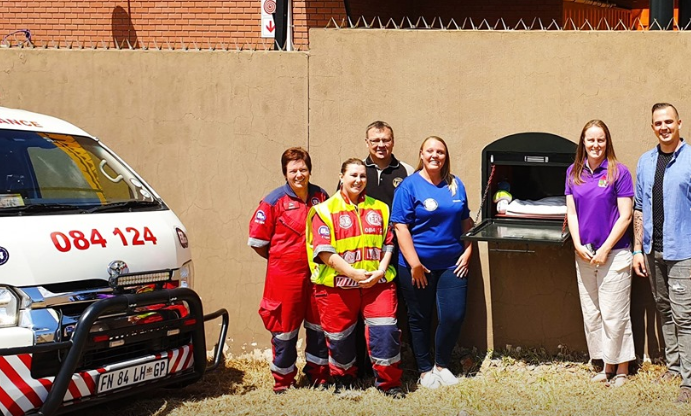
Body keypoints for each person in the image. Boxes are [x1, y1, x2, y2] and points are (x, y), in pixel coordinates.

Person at [306, 158, 404, 398]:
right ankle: (343, 380)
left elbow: (388, 243)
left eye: (362, 176)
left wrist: (380, 271)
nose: (358, 180)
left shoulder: (380, 208)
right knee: (340, 338)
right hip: (337, 286)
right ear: (341, 177)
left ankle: (389, 384)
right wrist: (352, 274)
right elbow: (324, 252)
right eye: (353, 175)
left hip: (377, 284)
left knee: (385, 332)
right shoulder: (323, 210)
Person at [391, 136, 473, 389]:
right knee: (419, 318)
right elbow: (400, 226)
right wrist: (414, 263)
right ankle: (425, 370)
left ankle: (442, 364)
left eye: (440, 151)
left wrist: (468, 250)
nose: (435, 155)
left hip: (452, 263)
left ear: (445, 156)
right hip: (417, 267)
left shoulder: (455, 184)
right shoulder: (409, 186)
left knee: (453, 314)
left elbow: (465, 220)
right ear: (422, 154)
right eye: (430, 151)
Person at [248, 147, 330, 393]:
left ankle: (319, 377)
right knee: (284, 330)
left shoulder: (321, 196)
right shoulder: (273, 201)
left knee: (318, 327)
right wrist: (281, 260)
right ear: (285, 173)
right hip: (284, 278)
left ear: (310, 170)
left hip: (317, 275)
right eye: (293, 170)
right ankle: (283, 382)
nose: (298, 174)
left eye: (303, 169)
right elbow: (258, 242)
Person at [565, 119, 635, 388]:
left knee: (615, 314)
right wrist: (577, 243)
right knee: (593, 313)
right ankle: (606, 366)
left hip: (614, 254)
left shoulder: (620, 172)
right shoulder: (573, 172)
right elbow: (571, 212)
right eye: (591, 139)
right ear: (583, 142)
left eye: (601, 139)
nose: (596, 145)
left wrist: (606, 249)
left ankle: (622, 369)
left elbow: (626, 216)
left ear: (608, 142)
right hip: (584, 255)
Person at [633, 103, 691, 403]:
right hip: (652, 249)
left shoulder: (690, 159)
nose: (664, 126)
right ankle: (673, 366)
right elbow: (639, 207)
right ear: (652, 126)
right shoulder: (646, 161)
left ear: (679, 123)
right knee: (665, 310)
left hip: (683, 251)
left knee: (685, 316)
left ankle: (689, 381)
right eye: (658, 123)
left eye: (669, 121)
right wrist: (637, 249)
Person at [355, 121, 414, 378]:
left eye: (386, 140)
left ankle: (399, 364)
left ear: (393, 141)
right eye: (375, 140)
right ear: (366, 142)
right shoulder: (357, 171)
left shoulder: (407, 171)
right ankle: (362, 365)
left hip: (398, 253)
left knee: (398, 310)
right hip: (363, 255)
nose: (381, 145)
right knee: (362, 312)